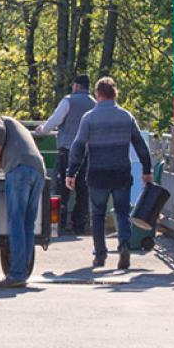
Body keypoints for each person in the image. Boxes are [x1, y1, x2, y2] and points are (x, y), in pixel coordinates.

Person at [66, 77, 152, 270]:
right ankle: (124, 248)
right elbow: (140, 145)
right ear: (115, 94)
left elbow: (78, 147)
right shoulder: (126, 117)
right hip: (121, 172)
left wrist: (71, 172)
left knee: (97, 215)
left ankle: (100, 256)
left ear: (97, 94)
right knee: (122, 213)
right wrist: (147, 169)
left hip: (97, 174)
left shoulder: (89, 118)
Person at [0, 114, 47, 288]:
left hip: (19, 170)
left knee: (16, 221)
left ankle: (16, 274)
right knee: (27, 224)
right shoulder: (19, 127)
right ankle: (22, 271)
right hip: (38, 171)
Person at [35, 74, 96, 234]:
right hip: (87, 153)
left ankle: (59, 224)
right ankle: (79, 225)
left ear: (76, 86)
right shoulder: (94, 104)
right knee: (83, 190)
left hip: (68, 150)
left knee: (62, 188)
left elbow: (55, 121)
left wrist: (42, 130)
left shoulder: (68, 100)